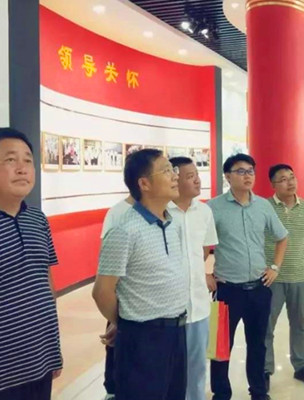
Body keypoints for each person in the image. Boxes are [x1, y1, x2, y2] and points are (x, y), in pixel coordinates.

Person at [0, 128, 63, 400]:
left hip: (38, 367)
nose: (22, 168)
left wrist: (52, 351)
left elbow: (45, 286)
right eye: (10, 160)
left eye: (28, 160)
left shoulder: (37, 220)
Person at [92, 149, 187, 400]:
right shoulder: (124, 230)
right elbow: (102, 291)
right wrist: (127, 323)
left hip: (177, 332)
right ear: (144, 184)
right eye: (166, 171)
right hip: (143, 338)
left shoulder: (173, 222)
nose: (175, 176)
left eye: (173, 170)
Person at [208, 154, 288, 400]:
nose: (247, 176)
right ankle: (221, 393)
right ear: (227, 176)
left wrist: (274, 267)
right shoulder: (212, 207)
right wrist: (204, 274)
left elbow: (282, 237)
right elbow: (199, 244)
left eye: (250, 171)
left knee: (258, 344)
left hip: (259, 289)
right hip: (226, 291)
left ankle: (259, 392)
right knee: (220, 347)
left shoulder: (263, 205)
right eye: (241, 171)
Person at [263, 164, 304, 390]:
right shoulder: (265, 207)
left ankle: (301, 366)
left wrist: (295, 255)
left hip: (300, 275)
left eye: (292, 177)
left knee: (299, 323)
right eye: (283, 179)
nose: (290, 182)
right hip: (272, 278)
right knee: (267, 326)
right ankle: (265, 369)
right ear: (273, 185)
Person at [168, 156, 219, 400]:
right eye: (190, 177)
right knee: (170, 370)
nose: (197, 180)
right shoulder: (161, 212)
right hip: (169, 309)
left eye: (197, 175)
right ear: (174, 179)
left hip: (198, 306)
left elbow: (205, 248)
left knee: (197, 369)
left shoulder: (204, 211)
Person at [98, 195, 135, 400]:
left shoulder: (167, 213)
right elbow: (108, 268)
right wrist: (115, 317)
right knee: (117, 354)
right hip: (122, 303)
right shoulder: (118, 212)